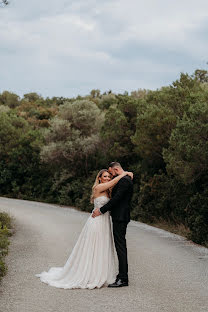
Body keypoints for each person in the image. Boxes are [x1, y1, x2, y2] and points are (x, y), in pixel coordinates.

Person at [35, 168, 132, 289]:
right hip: (97, 222)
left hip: (105, 222)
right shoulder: (98, 188)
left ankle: (101, 273)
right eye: (105, 176)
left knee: (103, 247)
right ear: (99, 178)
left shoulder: (108, 190)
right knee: (93, 247)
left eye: (109, 177)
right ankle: (90, 274)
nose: (107, 178)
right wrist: (125, 174)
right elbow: (113, 184)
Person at [92, 162, 133, 287]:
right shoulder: (123, 178)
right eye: (107, 175)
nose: (110, 176)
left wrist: (102, 210)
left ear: (115, 169)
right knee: (119, 246)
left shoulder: (125, 180)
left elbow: (116, 199)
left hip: (120, 217)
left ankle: (123, 278)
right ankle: (121, 276)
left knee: (120, 247)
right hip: (117, 217)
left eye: (111, 173)